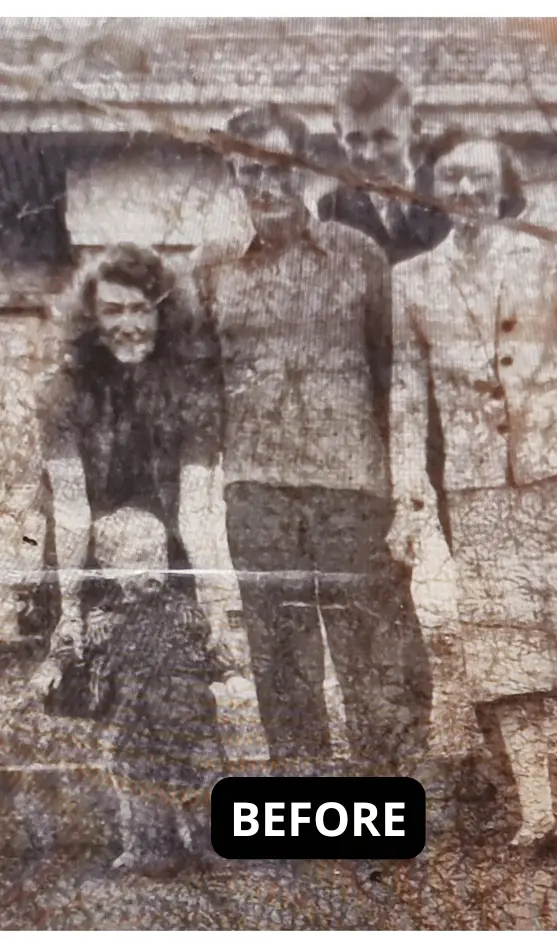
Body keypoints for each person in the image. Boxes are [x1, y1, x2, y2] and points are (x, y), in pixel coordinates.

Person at [389, 138, 557, 855]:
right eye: (451, 176)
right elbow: (405, 397)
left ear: (504, 185)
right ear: (432, 186)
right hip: (479, 487)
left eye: (480, 176)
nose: (466, 188)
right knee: (509, 656)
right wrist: (410, 493)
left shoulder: (552, 255)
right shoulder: (411, 280)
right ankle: (536, 812)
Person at [199, 103, 431, 778]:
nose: (263, 185)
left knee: (366, 653)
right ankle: (301, 800)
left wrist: (404, 486)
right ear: (234, 177)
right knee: (279, 655)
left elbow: (395, 375)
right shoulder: (212, 268)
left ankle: (380, 803)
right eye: (247, 172)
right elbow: (198, 380)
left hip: (351, 486)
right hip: (255, 488)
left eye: (276, 169)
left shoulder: (358, 257)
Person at [33, 243, 242, 715]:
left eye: (140, 309)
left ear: (163, 314)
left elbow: (198, 504)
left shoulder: (193, 389)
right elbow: (69, 506)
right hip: (85, 544)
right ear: (91, 320)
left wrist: (215, 603)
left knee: (176, 681)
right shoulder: (62, 391)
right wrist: (69, 608)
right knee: (86, 695)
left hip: (166, 549)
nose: (127, 324)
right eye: (112, 310)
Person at [29, 506, 226, 874]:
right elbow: (72, 647)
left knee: (203, 780)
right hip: (132, 723)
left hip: (188, 718)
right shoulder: (102, 618)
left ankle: (212, 844)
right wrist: (52, 666)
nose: (152, 569)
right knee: (139, 785)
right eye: (137, 559)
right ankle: (151, 849)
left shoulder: (182, 611)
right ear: (107, 568)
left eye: (158, 558)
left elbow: (210, 649)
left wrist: (226, 669)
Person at [318, 69, 451, 265]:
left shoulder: (449, 201)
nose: (370, 154)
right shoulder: (331, 214)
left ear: (415, 128)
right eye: (355, 139)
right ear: (338, 135)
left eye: (384, 137)